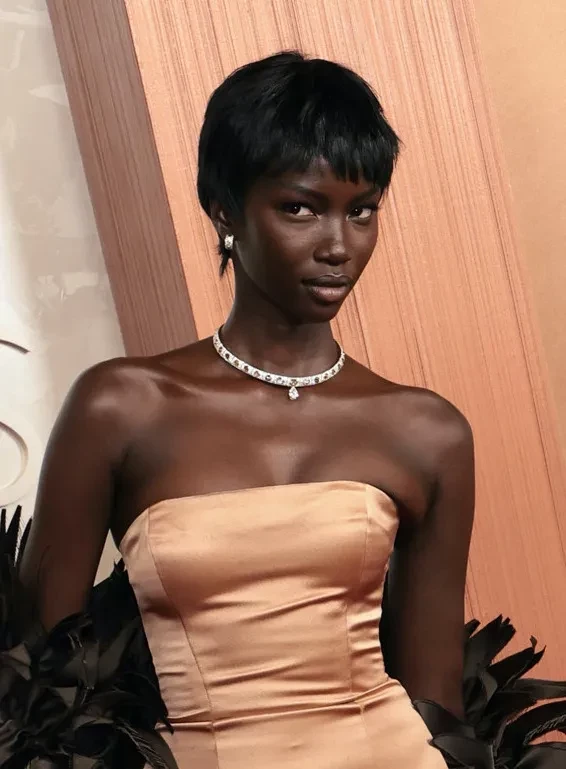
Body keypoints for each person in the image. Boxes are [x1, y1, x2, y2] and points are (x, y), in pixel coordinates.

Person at [2, 51, 565, 769]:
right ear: (224, 208)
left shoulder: (426, 430)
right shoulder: (120, 406)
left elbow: (436, 702)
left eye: (361, 211)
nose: (338, 246)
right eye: (300, 208)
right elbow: (42, 688)